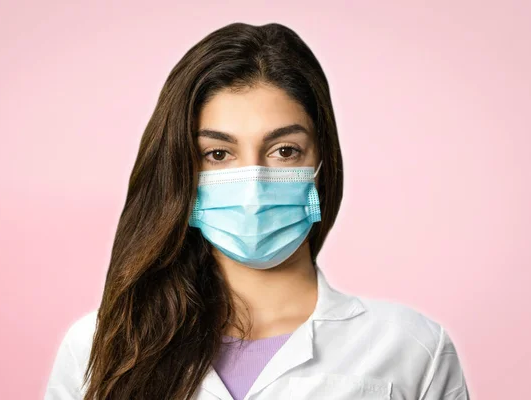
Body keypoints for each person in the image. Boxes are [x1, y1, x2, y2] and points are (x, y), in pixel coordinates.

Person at [44, 22, 470, 400]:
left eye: (284, 151)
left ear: (322, 165)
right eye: (218, 153)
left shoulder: (412, 348)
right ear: (182, 174)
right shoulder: (99, 347)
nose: (252, 186)